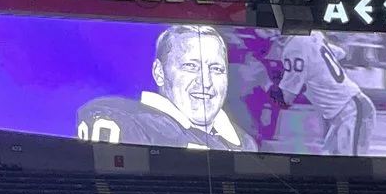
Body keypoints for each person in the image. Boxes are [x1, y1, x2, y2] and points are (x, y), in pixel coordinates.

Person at [75, 22, 255, 150]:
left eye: (216, 69)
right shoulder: (130, 122)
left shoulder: (243, 143)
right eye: (191, 66)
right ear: (159, 73)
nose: (206, 82)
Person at [274, 32, 379, 154]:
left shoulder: (295, 46)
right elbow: (341, 53)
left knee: (352, 167)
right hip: (344, 112)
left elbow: (287, 98)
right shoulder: (313, 35)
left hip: (351, 110)